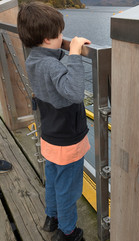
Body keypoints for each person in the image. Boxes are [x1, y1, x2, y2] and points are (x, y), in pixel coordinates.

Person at [17, 2, 91, 241]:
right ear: (48, 39)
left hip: (50, 134)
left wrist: (66, 50)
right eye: (60, 34)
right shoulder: (50, 65)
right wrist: (75, 54)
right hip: (68, 139)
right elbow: (74, 92)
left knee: (53, 180)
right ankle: (68, 231)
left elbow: (52, 63)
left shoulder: (34, 59)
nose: (63, 37)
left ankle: (52, 217)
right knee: (68, 189)